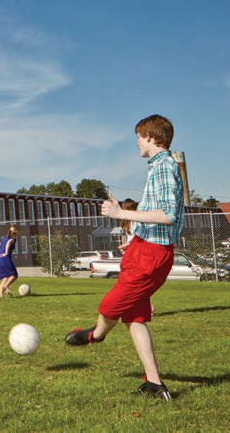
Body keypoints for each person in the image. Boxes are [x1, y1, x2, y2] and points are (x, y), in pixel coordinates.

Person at [65, 114, 184, 401]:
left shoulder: (164, 166)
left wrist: (121, 213)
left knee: (110, 305)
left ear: (151, 137)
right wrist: (132, 239)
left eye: (139, 137)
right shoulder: (158, 165)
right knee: (134, 317)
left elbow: (168, 214)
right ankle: (154, 382)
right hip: (142, 248)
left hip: (151, 254)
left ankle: (95, 335)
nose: (137, 143)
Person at [0, 225, 19, 299]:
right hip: (4, 258)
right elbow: (9, 242)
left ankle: (0, 295)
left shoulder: (4, 238)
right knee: (14, 274)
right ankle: (6, 286)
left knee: (5, 277)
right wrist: (6, 253)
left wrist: (0, 253)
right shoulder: (13, 238)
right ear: (16, 232)